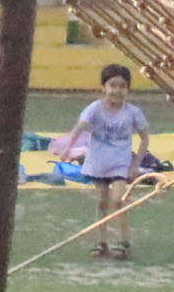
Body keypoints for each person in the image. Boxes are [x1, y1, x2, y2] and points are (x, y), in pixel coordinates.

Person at [59, 64, 152, 261]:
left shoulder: (133, 113)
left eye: (122, 86)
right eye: (112, 85)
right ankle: (101, 242)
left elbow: (144, 139)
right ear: (104, 87)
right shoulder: (94, 109)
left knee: (119, 200)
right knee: (102, 200)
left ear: (128, 89)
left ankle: (124, 242)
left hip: (120, 163)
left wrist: (135, 164)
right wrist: (67, 148)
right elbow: (80, 128)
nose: (117, 91)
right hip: (99, 162)